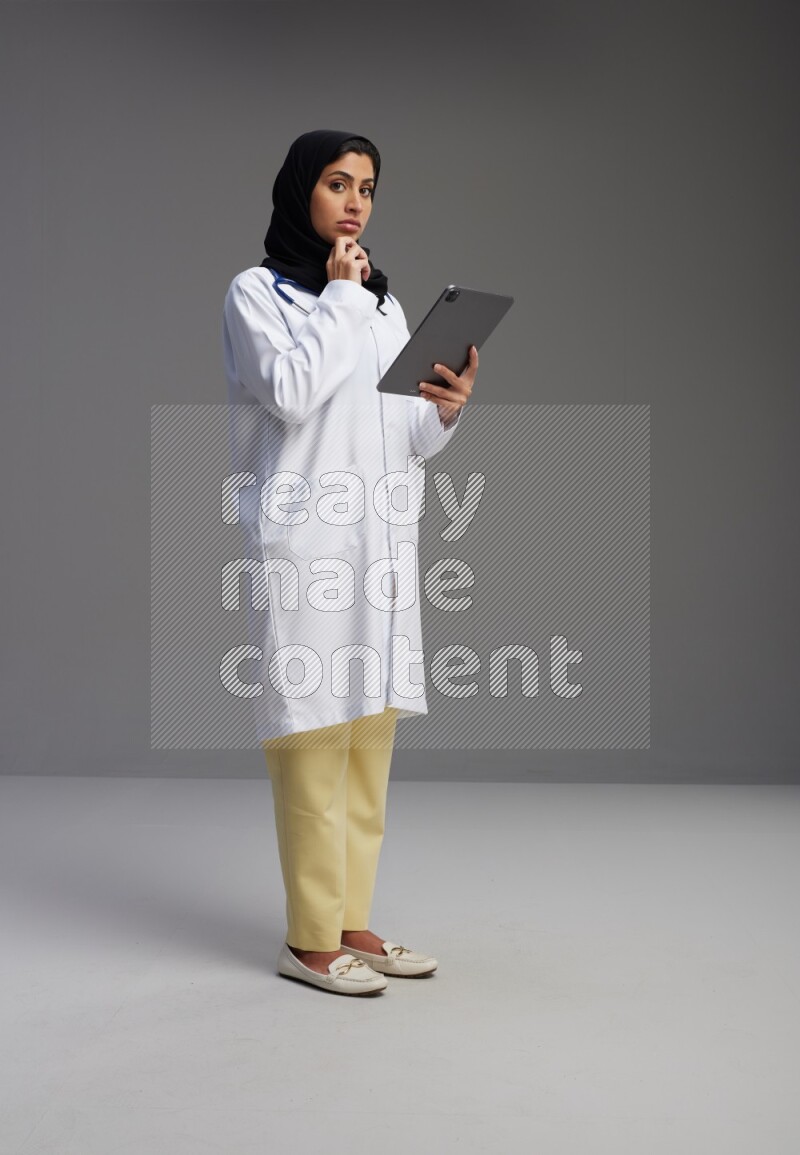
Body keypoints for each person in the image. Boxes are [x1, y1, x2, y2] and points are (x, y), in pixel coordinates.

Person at [222, 129, 477, 995]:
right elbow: (291, 393)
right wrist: (338, 299)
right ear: (302, 193)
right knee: (310, 738)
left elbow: (405, 433)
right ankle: (307, 937)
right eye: (338, 183)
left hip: (381, 544)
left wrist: (444, 409)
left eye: (367, 186)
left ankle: (353, 919)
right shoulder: (257, 294)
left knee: (369, 736)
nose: (357, 201)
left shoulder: (381, 304)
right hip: (307, 546)